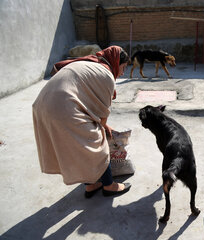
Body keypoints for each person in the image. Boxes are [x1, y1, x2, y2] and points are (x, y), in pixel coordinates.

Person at [33, 45, 131, 198]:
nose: (123, 72)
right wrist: (105, 128)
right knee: (98, 142)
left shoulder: (92, 63)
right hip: (62, 108)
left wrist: (105, 125)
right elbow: (101, 119)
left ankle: (91, 184)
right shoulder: (106, 75)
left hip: (42, 105)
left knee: (81, 147)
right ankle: (109, 185)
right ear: (116, 62)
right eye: (123, 67)